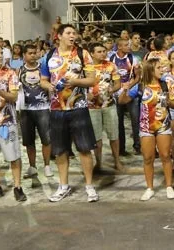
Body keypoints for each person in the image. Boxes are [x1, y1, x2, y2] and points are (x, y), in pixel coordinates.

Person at [39, 24, 99, 202]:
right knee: (60, 151)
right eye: (68, 33)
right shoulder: (48, 57)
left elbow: (92, 80)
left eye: (74, 33)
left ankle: (89, 186)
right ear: (59, 36)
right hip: (56, 110)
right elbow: (43, 80)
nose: (72, 36)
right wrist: (48, 86)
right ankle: (63, 186)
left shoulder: (83, 54)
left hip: (79, 107)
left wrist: (75, 82)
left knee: (84, 148)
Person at [119, 58, 174, 201]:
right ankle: (149, 188)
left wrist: (168, 101)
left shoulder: (165, 84)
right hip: (146, 127)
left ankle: (169, 186)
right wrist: (125, 90)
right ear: (151, 70)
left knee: (165, 156)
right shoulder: (140, 87)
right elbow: (122, 101)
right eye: (159, 67)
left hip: (163, 125)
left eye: (162, 67)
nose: (162, 70)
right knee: (148, 158)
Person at [0, 44, 24, 202]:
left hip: (6, 121)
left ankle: (17, 187)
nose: (0, 56)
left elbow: (14, 97)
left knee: (13, 156)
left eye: (1, 53)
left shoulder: (9, 73)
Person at [88, 42, 123, 172]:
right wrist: (87, 95)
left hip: (109, 105)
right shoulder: (86, 68)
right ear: (92, 53)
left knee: (114, 135)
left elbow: (118, 84)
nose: (103, 53)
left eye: (104, 51)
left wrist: (112, 90)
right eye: (99, 51)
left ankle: (117, 161)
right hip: (92, 107)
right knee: (96, 137)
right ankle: (98, 162)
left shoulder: (111, 66)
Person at [20, 44, 53, 179]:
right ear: (24, 55)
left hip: (43, 108)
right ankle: (32, 167)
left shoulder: (44, 70)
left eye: (35, 53)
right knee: (29, 141)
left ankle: (47, 166)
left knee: (46, 139)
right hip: (26, 110)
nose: (33, 55)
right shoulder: (19, 71)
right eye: (30, 53)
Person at [112, 38, 142, 156]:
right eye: (125, 45)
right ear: (119, 47)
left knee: (135, 120)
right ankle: (121, 149)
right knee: (118, 122)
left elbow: (138, 77)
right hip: (116, 93)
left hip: (131, 93)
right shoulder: (111, 59)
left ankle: (137, 146)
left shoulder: (133, 59)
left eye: (128, 44)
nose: (128, 47)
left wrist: (129, 87)